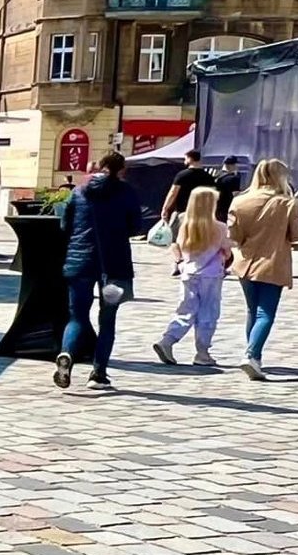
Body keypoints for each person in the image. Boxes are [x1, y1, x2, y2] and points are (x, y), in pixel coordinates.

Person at [55, 152, 142, 390]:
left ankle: (67, 355)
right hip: (114, 266)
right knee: (108, 319)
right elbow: (136, 227)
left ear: (100, 167)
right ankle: (98, 373)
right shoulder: (127, 192)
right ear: (121, 169)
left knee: (77, 317)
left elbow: (65, 224)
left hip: (79, 262)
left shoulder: (79, 191)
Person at [228, 158, 298, 381]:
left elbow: (234, 236)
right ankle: (252, 355)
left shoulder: (240, 202)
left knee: (253, 311)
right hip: (273, 262)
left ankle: (253, 354)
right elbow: (297, 235)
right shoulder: (288, 203)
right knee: (266, 313)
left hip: (246, 262)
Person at [153, 187, 231, 368]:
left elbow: (176, 247)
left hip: (188, 272)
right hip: (211, 275)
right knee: (208, 312)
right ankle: (202, 352)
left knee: (185, 310)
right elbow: (227, 252)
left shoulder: (184, 224)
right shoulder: (219, 227)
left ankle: (168, 340)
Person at [159, 150, 217, 277]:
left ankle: (178, 261)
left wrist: (165, 208)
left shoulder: (182, 175)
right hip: (203, 214)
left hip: (182, 212)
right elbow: (213, 196)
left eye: (185, 158)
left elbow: (173, 193)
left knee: (174, 239)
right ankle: (197, 263)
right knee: (200, 239)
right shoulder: (208, 177)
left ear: (190, 159)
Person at [214, 156, 244, 223]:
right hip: (228, 209)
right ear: (232, 165)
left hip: (216, 209)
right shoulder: (234, 178)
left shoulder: (217, 175)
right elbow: (236, 195)